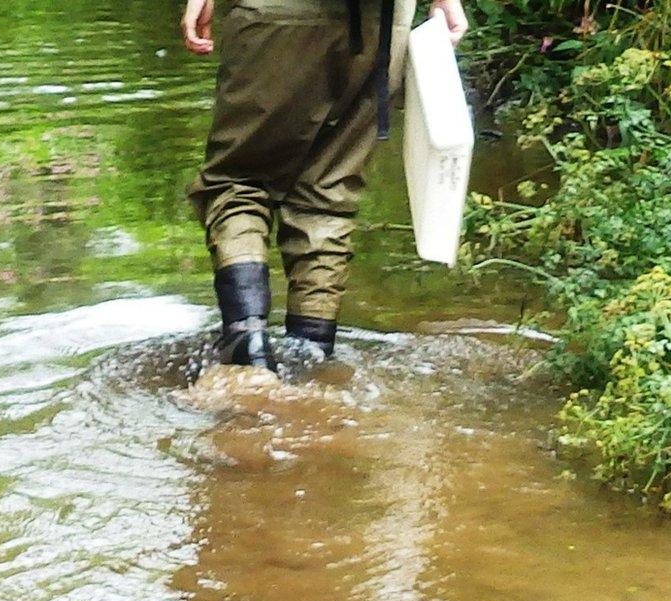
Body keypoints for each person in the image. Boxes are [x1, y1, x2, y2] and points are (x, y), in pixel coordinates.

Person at [181, 0, 468, 366]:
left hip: (278, 11)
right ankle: (312, 354)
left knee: (239, 180)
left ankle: (247, 340)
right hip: (380, 21)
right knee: (327, 192)